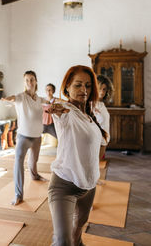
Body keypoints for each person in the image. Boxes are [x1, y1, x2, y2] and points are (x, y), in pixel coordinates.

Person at [47, 65, 108, 246]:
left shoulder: (88, 116)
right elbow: (60, 110)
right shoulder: (67, 111)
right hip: (64, 186)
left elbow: (99, 145)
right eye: (78, 85)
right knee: (62, 241)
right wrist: (56, 109)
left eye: (88, 86)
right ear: (67, 87)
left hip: (89, 186)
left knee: (76, 235)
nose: (84, 90)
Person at [2, 70, 48, 205]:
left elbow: (49, 102)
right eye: (27, 80)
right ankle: (18, 194)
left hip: (37, 137)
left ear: (36, 81)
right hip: (24, 137)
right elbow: (13, 98)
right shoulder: (21, 97)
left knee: (34, 161)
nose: (29, 82)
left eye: (32, 79)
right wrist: (7, 98)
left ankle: (35, 175)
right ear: (24, 82)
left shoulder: (39, 99)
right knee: (18, 162)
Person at [95, 74, 114, 161]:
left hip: (102, 141)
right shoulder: (90, 104)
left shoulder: (101, 105)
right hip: (96, 142)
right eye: (100, 88)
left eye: (104, 89)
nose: (102, 92)